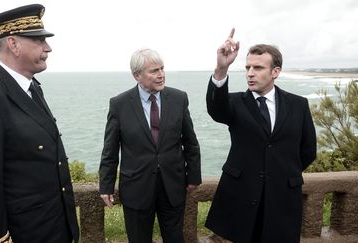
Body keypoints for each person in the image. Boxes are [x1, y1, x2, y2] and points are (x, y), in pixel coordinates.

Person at [0, 4, 79, 242]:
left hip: (56, 226)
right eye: (39, 41)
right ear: (13, 44)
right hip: (26, 233)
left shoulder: (32, 87)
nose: (48, 48)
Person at [204, 29, 317, 243]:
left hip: (282, 198)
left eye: (257, 67)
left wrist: (279, 172)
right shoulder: (235, 103)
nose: (250, 73)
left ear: (275, 72)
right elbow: (215, 108)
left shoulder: (298, 105)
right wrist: (221, 68)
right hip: (242, 196)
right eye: (247, 67)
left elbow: (308, 149)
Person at [99, 48, 201, 243]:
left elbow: (190, 141)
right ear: (137, 75)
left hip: (173, 186)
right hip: (136, 188)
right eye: (154, 71)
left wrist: (194, 175)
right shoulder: (119, 104)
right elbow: (110, 150)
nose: (161, 74)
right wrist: (106, 185)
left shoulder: (179, 98)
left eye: (162, 68)